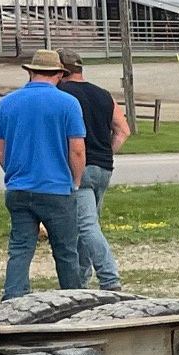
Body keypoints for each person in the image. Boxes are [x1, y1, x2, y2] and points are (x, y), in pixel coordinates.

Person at [0, 49, 87, 298]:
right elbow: (77, 150)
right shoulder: (68, 104)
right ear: (59, 74)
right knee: (66, 251)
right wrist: (75, 181)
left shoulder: (6, 103)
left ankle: (13, 298)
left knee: (20, 248)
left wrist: (14, 172)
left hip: (19, 187)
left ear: (31, 72)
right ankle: (73, 299)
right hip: (57, 188)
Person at [57, 48, 128, 290]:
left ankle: (109, 278)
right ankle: (80, 279)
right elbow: (123, 130)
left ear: (61, 71)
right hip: (104, 167)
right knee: (88, 224)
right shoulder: (103, 94)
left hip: (80, 166)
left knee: (86, 226)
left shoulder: (63, 94)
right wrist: (107, 152)